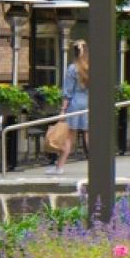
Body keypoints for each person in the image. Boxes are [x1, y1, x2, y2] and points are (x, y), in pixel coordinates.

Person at [51, 40, 89, 173]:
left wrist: (62, 110)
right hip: (89, 104)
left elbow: (68, 92)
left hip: (75, 104)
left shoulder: (73, 68)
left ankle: (59, 167)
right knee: (88, 135)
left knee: (69, 137)